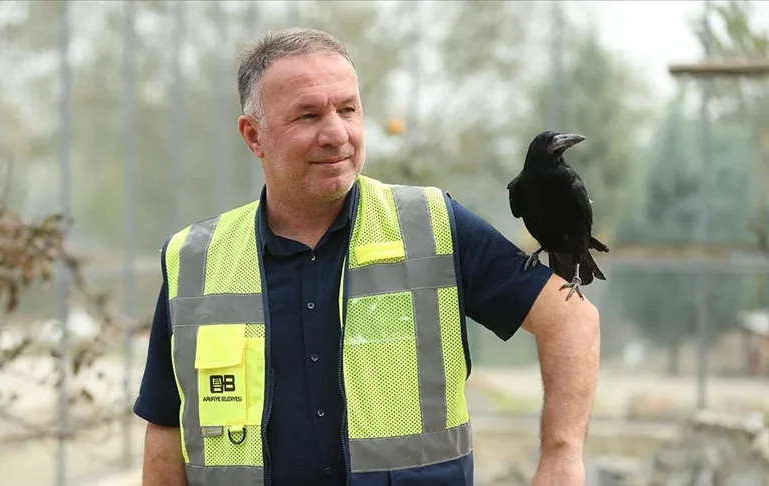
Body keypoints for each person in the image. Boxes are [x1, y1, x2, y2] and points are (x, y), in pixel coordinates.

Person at [133, 27, 600, 486]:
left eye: (348, 109)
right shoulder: (193, 261)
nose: (336, 133)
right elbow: (166, 428)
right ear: (254, 136)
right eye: (308, 116)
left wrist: (561, 461)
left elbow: (571, 320)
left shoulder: (432, 225)